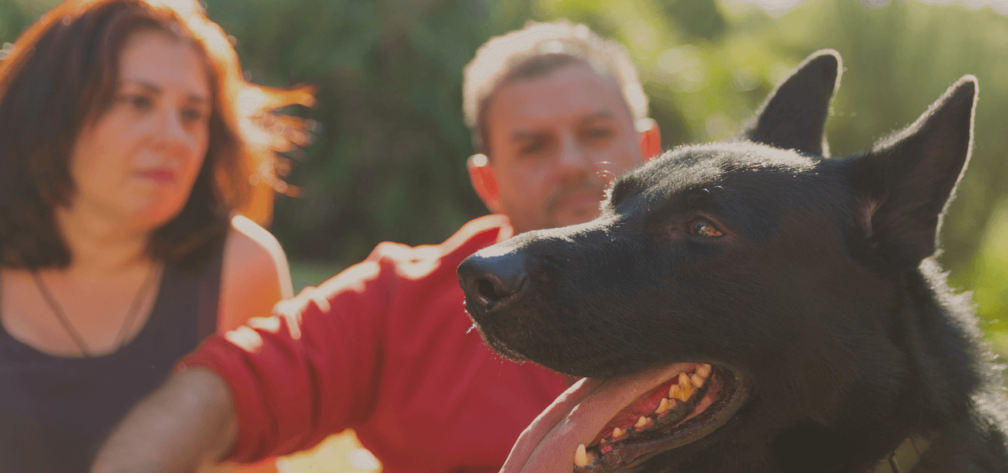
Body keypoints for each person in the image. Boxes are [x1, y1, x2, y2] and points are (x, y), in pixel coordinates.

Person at [91, 20, 662, 473]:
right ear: (488, 184)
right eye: (533, 146)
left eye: (595, 133)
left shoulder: (736, 274)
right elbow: (226, 389)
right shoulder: (402, 304)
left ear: (649, 146)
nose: (571, 164)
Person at [0, 0, 312, 471]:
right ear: (53, 110)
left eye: (192, 114)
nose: (173, 137)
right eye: (138, 102)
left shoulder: (242, 266)